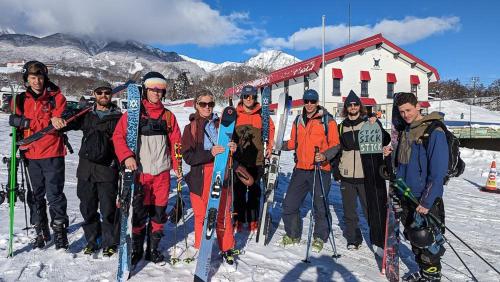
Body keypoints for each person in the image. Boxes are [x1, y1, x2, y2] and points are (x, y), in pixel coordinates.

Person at [112, 72, 182, 264]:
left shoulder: (168, 116)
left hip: (162, 173)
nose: (157, 93)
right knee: (139, 213)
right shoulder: (133, 114)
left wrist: (178, 166)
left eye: (161, 90)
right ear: (145, 90)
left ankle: (153, 249)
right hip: (140, 173)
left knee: (159, 214)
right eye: (153, 89)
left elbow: (176, 143)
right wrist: (126, 156)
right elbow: (118, 137)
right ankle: (136, 249)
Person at [388, 92, 448, 281]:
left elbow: (438, 172)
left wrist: (427, 201)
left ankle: (432, 276)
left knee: (426, 240)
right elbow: (404, 165)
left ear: (418, 107)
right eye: (402, 111)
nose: (405, 114)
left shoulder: (433, 131)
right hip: (406, 194)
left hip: (423, 198)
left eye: (409, 110)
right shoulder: (406, 130)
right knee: (414, 238)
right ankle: (424, 273)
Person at [9, 61, 69, 250]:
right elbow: (17, 127)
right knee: (35, 195)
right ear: (26, 79)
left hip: (52, 152)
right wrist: (17, 123)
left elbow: (62, 116)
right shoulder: (19, 100)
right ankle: (41, 229)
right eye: (33, 78)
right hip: (30, 154)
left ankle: (59, 231)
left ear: (45, 78)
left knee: (54, 195)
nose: (37, 82)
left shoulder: (56, 98)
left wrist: (59, 119)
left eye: (40, 78)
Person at [181, 89, 239, 264]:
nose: (207, 107)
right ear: (196, 105)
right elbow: (188, 156)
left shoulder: (222, 124)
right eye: (203, 104)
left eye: (211, 104)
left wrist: (234, 148)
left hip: (221, 173)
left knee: (222, 214)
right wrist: (210, 153)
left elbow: (231, 146)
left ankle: (226, 247)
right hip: (200, 177)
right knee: (201, 215)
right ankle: (202, 247)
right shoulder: (190, 128)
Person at [280, 89, 340, 253]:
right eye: (306, 101)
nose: (309, 104)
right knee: (289, 204)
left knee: (320, 206)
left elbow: (336, 144)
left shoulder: (328, 121)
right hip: (300, 169)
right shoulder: (298, 120)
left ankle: (319, 237)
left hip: (320, 169)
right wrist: (279, 144)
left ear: (317, 102)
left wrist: (325, 155)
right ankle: (293, 235)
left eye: (312, 101)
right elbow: (293, 143)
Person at [333, 90, 390, 252]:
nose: (352, 107)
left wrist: (376, 124)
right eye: (349, 105)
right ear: (346, 107)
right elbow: (337, 150)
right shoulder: (341, 127)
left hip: (365, 175)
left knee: (370, 210)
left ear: (360, 106)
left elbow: (385, 140)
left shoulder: (368, 123)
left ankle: (378, 240)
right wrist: (335, 169)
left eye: (355, 104)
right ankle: (353, 239)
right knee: (349, 212)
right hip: (346, 176)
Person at [69, 82, 122, 257]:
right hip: (86, 170)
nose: (104, 95)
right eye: (100, 92)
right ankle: (93, 240)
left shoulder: (119, 118)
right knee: (88, 209)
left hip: (107, 170)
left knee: (108, 210)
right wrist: (62, 117)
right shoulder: (86, 115)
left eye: (107, 92)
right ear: (94, 94)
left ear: (111, 95)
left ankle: (110, 242)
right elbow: (66, 124)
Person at [232, 85, 274, 232]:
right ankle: (238, 219)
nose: (249, 99)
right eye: (246, 96)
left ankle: (252, 219)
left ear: (256, 98)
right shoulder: (235, 115)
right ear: (242, 97)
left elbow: (271, 130)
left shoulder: (261, 115)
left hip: (257, 160)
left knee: (255, 192)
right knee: (239, 192)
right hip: (239, 161)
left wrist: (269, 147)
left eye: (252, 97)